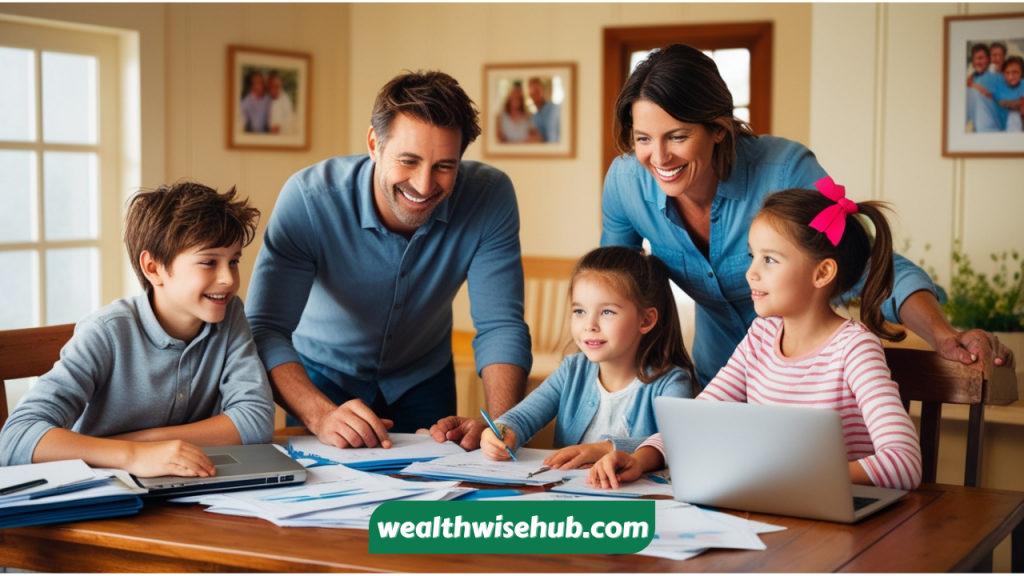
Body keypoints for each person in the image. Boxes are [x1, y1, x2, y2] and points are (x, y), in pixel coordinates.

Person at [601, 43, 1013, 389]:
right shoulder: (625, 183)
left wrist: (944, 336)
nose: (659, 157)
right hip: (719, 376)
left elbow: (867, 266)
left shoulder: (784, 171)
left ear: (719, 128)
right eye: (643, 139)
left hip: (806, 383)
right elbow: (612, 290)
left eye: (677, 136)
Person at [246, 70, 531, 452]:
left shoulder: (490, 197)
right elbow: (264, 328)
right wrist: (319, 415)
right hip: (320, 378)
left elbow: (500, 326)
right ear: (373, 144)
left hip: (424, 377)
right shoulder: (309, 200)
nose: (424, 184)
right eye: (408, 161)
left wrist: (502, 428)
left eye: (445, 166)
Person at [588, 179, 923, 491]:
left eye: (770, 260)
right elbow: (696, 420)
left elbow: (904, 463)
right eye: (752, 255)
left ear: (822, 273)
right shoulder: (761, 336)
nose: (751, 272)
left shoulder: (855, 349)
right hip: (776, 510)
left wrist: (794, 482)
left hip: (839, 525)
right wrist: (640, 459)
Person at [0, 182, 275, 476]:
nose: (229, 280)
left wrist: (141, 447)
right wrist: (131, 456)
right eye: (209, 262)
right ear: (153, 268)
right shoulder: (106, 333)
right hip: (103, 493)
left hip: (184, 488)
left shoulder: (229, 314)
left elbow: (255, 421)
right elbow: (15, 438)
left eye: (233, 261)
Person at [480, 246, 695, 469]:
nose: (589, 326)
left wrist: (603, 448)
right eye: (579, 311)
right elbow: (521, 419)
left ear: (646, 320)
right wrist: (501, 433)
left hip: (641, 502)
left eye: (607, 312)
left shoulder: (671, 383)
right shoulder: (571, 371)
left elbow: (678, 443)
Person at [965, 43, 1003, 132]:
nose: (978, 61)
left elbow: (992, 96)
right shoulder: (970, 79)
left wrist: (973, 86)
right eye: (975, 59)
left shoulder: (996, 77)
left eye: (981, 58)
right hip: (976, 129)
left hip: (993, 127)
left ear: (988, 60)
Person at [994, 56, 1024, 133]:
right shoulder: (1000, 86)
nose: (1011, 76)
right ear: (1003, 74)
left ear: (1022, 73)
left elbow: (1021, 102)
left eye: (1015, 72)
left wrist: (1008, 104)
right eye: (1007, 73)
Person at [528, 77, 560, 143]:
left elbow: (552, 139)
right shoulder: (534, 116)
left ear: (543, 91)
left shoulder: (553, 109)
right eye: (532, 91)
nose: (534, 94)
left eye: (537, 90)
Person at [268, 70, 296, 135]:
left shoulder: (284, 100)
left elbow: (276, 129)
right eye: (273, 86)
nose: (276, 88)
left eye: (278, 86)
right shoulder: (266, 97)